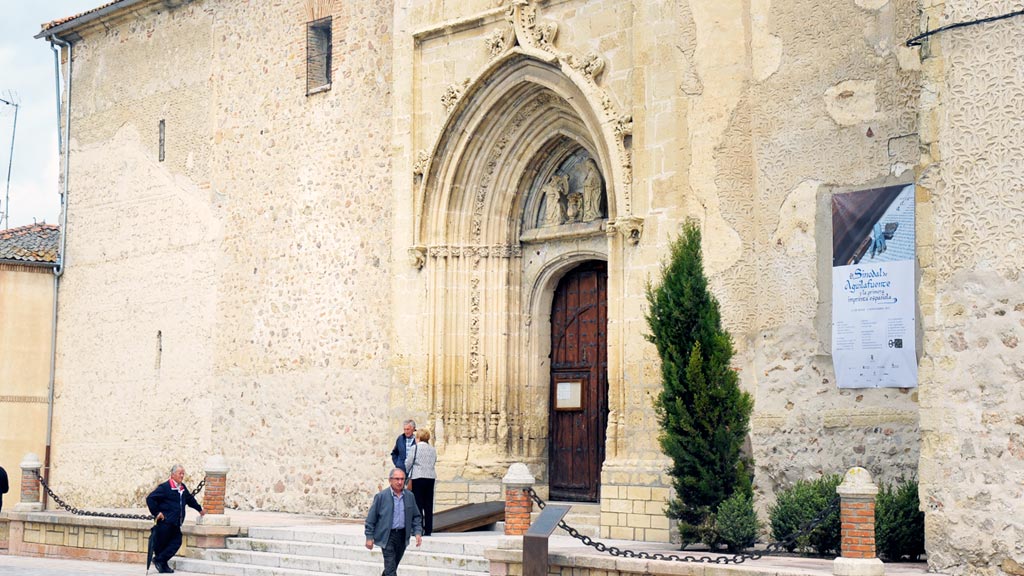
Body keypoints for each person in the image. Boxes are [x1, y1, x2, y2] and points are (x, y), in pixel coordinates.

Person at [146, 464, 205, 574]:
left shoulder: (182, 488)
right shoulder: (165, 487)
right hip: (165, 522)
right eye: (180, 473)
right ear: (173, 475)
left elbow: (190, 499)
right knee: (163, 544)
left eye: (183, 473)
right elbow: (150, 499)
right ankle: (162, 564)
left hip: (176, 522)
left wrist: (200, 509)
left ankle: (160, 560)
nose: (182, 476)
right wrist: (157, 513)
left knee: (176, 542)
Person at [364, 468, 423, 576]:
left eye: (402, 479)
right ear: (390, 480)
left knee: (392, 566)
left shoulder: (410, 496)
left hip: (402, 536)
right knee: (391, 569)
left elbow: (416, 516)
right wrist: (369, 537)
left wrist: (418, 532)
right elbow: (371, 519)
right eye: (397, 479)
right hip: (388, 536)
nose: (400, 482)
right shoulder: (381, 497)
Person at [404, 428, 438, 536]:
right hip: (430, 477)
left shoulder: (415, 448)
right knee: (428, 504)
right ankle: (428, 529)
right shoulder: (432, 449)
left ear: (418, 437)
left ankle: (418, 528)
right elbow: (434, 461)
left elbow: (408, 463)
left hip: (418, 477)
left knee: (418, 503)